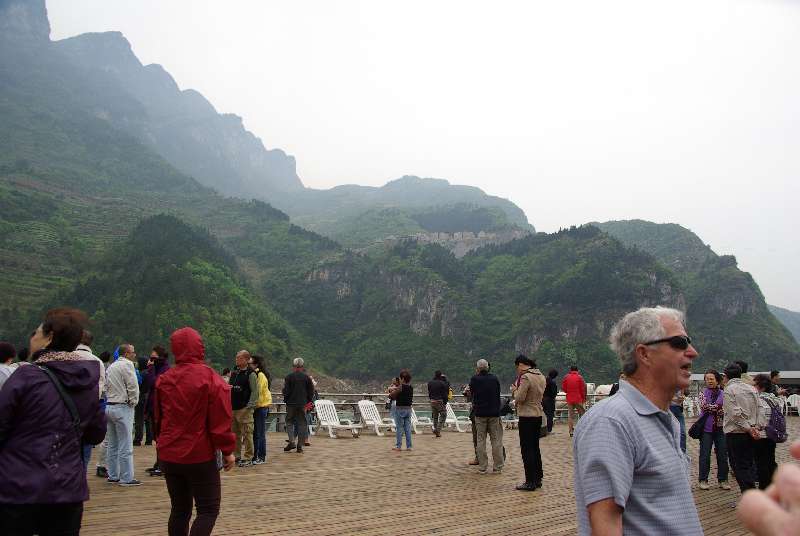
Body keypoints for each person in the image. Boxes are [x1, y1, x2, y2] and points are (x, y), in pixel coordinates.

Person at [573, 307, 702, 535]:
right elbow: (605, 523)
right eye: (680, 343)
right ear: (644, 354)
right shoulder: (611, 422)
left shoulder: (667, 419)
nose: (692, 352)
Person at [0, 308, 106, 535]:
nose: (32, 338)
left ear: (49, 338)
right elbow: (96, 433)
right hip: (68, 488)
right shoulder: (87, 380)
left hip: (19, 486)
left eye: (35, 333)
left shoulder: (26, 376)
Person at [153, 327, 236, 536]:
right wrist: (227, 451)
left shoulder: (165, 378)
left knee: (179, 510)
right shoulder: (211, 378)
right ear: (200, 347)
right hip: (200, 454)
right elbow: (220, 421)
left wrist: (160, 442)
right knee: (208, 510)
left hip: (169, 453)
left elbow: (158, 417)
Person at [737, 440, 800, 535]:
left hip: (759, 439)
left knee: (763, 464)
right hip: (768, 439)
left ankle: (767, 492)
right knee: (769, 463)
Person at [105, 343, 141, 486]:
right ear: (126, 353)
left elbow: (106, 386)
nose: (134, 354)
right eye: (132, 352)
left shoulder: (111, 366)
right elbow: (133, 385)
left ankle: (113, 475)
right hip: (122, 407)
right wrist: (133, 401)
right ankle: (126, 478)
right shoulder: (127, 365)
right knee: (126, 444)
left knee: (112, 444)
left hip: (109, 405)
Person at [723, 362, 761, 493]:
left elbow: (734, 414)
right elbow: (759, 408)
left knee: (739, 466)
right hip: (752, 431)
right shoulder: (752, 388)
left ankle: (749, 495)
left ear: (726, 376)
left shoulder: (729, 390)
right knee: (749, 464)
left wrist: (748, 428)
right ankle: (752, 494)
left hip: (736, 433)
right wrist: (755, 427)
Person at [511, 355, 545, 491]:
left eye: (517, 367)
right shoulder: (541, 376)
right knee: (535, 448)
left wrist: (514, 390)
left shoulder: (526, 377)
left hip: (527, 416)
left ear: (520, 365)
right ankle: (538, 478)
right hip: (538, 415)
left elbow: (520, 397)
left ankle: (530, 481)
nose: (517, 370)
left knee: (527, 449)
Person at [74, 330, 105, 470]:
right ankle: (83, 474)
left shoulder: (68, 358)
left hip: (69, 409)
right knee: (86, 446)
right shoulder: (97, 361)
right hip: (89, 409)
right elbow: (100, 387)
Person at [697, 369, 730, 490]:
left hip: (721, 429)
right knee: (704, 455)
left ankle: (723, 480)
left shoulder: (723, 393)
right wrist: (718, 407)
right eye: (707, 379)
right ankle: (703, 479)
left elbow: (726, 408)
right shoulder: (702, 393)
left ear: (717, 380)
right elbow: (704, 406)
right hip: (706, 429)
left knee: (722, 455)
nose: (709, 381)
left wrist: (718, 408)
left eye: (711, 379)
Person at [469, 359, 503, 474]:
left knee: (480, 440)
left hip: (480, 413)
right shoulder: (494, 378)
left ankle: (483, 467)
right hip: (494, 413)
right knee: (496, 440)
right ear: (488, 367)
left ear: (478, 368)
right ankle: (498, 467)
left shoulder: (474, 379)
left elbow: (472, 393)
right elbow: (497, 393)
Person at [143, 345, 170, 476]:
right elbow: (148, 385)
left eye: (153, 357)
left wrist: (151, 369)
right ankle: (159, 462)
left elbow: (155, 383)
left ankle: (163, 464)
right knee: (157, 438)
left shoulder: (165, 369)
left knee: (161, 437)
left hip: (161, 408)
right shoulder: (157, 368)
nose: (151, 360)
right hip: (153, 407)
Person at [229, 350, 257, 466]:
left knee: (247, 434)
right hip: (233, 408)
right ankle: (236, 456)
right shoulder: (234, 372)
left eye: (239, 358)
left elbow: (255, 391)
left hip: (245, 408)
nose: (237, 360)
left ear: (246, 360)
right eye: (236, 357)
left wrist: (249, 406)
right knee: (235, 434)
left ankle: (248, 457)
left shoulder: (251, 374)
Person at [282, 357, 315, 453]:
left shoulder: (289, 377)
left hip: (291, 404)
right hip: (303, 404)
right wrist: (308, 401)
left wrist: (286, 400)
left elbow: (286, 391)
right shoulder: (307, 378)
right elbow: (311, 391)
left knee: (289, 422)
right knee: (302, 423)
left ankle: (292, 441)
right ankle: (299, 445)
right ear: (302, 367)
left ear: (293, 366)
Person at [753, 374, 779, 489]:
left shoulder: (760, 400)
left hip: (762, 435)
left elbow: (761, 420)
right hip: (773, 434)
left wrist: (755, 428)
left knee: (761, 463)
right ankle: (774, 485)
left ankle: (764, 488)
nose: (753, 387)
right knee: (770, 460)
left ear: (762, 387)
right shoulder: (774, 398)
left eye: (755, 384)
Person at [249, 354, 272, 464]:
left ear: (256, 364)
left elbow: (257, 391)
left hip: (261, 406)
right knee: (255, 433)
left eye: (250, 363)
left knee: (260, 433)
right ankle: (255, 456)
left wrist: (251, 404)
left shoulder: (260, 375)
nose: (249, 365)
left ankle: (261, 456)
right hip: (257, 406)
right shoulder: (255, 374)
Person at [390, 369, 414, 451]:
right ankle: (409, 446)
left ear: (402, 379)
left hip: (400, 409)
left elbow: (392, 395)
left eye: (400, 378)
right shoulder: (411, 387)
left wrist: (392, 391)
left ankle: (398, 446)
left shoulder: (400, 387)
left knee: (399, 428)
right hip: (408, 409)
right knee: (407, 428)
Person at [562, 365, 587, 437]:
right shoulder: (580, 377)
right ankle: (582, 429)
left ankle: (571, 431)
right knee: (582, 414)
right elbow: (582, 389)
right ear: (577, 370)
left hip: (569, 398)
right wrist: (584, 398)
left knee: (570, 415)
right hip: (578, 398)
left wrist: (569, 392)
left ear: (570, 370)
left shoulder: (566, 377)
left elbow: (564, 388)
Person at [427, 370, 449, 437]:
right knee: (443, 415)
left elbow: (429, 392)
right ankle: (437, 430)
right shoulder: (442, 383)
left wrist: (431, 398)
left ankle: (436, 431)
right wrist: (445, 401)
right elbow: (445, 392)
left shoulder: (430, 382)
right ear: (440, 375)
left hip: (432, 401)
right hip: (439, 401)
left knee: (435, 417)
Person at [669, 387, 689, 453]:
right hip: (668, 409)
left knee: (682, 433)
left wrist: (683, 396)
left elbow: (687, 392)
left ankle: (683, 454)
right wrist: (675, 399)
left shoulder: (680, 383)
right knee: (670, 433)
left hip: (678, 410)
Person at [542, 369, 558, 433]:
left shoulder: (543, 380)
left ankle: (543, 428)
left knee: (543, 414)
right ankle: (549, 430)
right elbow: (554, 393)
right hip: (549, 400)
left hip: (542, 399)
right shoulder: (552, 382)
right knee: (550, 415)